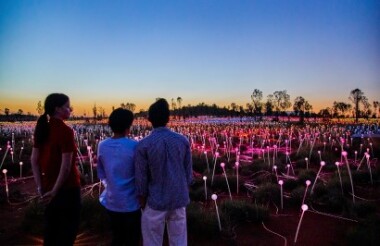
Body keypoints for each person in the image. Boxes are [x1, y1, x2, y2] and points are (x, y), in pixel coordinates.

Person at [135, 98, 193, 246]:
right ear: (168, 118)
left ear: (149, 119)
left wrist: (142, 199)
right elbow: (188, 174)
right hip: (178, 198)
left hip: (156, 201)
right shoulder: (183, 141)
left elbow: (141, 178)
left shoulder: (143, 145)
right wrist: (183, 190)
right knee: (179, 240)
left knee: (152, 241)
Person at [30, 93, 81, 246]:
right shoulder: (65, 131)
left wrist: (41, 187)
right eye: (67, 106)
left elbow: (34, 160)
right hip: (67, 188)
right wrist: (56, 190)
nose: (70, 110)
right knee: (67, 231)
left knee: (51, 229)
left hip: (47, 186)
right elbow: (66, 167)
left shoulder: (42, 128)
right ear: (58, 109)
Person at [97, 108, 141, 246]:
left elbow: (101, 173)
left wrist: (112, 184)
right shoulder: (135, 146)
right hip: (131, 204)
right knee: (132, 239)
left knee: (117, 237)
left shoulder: (102, 145)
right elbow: (140, 174)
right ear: (128, 126)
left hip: (112, 202)